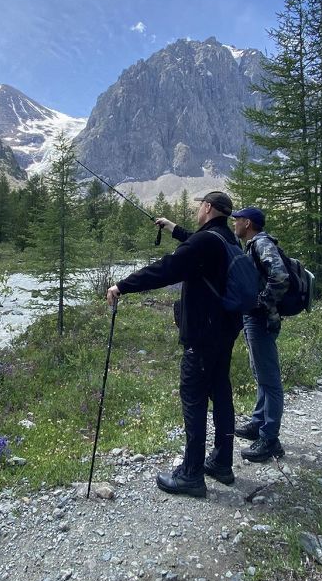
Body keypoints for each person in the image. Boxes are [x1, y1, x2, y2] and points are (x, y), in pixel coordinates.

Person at [106, 191, 242, 498]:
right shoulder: (226, 240)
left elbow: (166, 269)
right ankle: (222, 462)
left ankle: (192, 474)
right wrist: (171, 227)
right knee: (221, 395)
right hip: (225, 333)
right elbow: (194, 242)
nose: (198, 210)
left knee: (193, 400)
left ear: (207, 208)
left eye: (200, 206)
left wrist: (122, 286)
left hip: (202, 336)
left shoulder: (204, 243)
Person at [231, 207, 290, 463]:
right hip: (255, 318)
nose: (235, 224)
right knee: (260, 373)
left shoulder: (262, 243)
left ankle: (270, 439)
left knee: (270, 380)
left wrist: (261, 302)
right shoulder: (253, 243)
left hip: (261, 319)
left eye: (238, 220)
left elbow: (280, 276)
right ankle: (258, 423)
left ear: (248, 223)